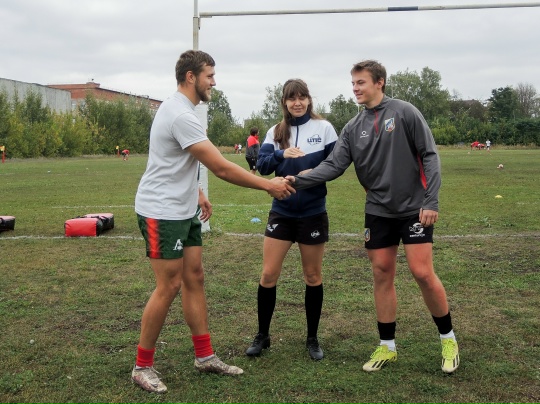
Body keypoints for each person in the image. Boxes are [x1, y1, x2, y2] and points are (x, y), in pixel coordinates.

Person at [132, 50, 295, 394]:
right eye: (209, 75)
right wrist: (268, 185)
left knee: (194, 277)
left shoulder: (183, 110)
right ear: (191, 77)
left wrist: (197, 192)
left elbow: (179, 160)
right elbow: (220, 167)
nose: (214, 82)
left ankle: (205, 356)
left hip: (183, 208)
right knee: (169, 285)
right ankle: (142, 366)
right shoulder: (180, 114)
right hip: (161, 211)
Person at [286, 60, 460, 374]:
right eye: (353, 83)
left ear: (379, 82)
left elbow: (429, 155)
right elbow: (333, 166)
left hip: (414, 208)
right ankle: (387, 346)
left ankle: (448, 339)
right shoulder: (353, 127)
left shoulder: (405, 112)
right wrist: (296, 180)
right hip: (378, 210)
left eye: (361, 82)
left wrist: (431, 200)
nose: (355, 88)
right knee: (381, 272)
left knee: (422, 272)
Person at [245, 79, 338, 361]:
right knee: (268, 275)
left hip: (312, 212)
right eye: (292, 98)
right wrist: (280, 153)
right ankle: (263, 335)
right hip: (282, 212)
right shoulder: (275, 131)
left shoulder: (324, 128)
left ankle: (312, 338)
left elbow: (336, 165)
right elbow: (262, 167)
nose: (297, 103)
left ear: (309, 100)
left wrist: (311, 174)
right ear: (285, 102)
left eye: (302, 97)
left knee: (313, 276)